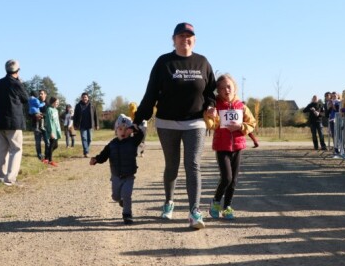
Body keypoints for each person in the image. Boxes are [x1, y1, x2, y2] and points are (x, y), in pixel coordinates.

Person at [133, 22, 216, 229]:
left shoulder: (203, 62)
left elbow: (210, 93)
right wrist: (138, 121)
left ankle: (194, 212)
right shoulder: (164, 62)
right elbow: (151, 93)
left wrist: (211, 107)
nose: (185, 39)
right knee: (172, 164)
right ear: (174, 39)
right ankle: (169, 202)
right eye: (180, 35)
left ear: (194, 40)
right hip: (167, 122)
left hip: (195, 122)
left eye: (189, 36)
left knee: (193, 165)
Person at [205, 74, 256, 220]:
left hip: (238, 146)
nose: (226, 90)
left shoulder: (242, 106)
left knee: (233, 180)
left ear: (234, 88)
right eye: (221, 88)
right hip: (222, 147)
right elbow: (212, 125)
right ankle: (215, 203)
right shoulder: (215, 105)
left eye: (228, 87)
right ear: (218, 91)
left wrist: (241, 126)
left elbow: (252, 123)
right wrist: (209, 115)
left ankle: (227, 206)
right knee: (226, 178)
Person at [90, 114, 145, 225]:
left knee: (127, 195)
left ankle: (127, 215)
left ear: (130, 131)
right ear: (116, 130)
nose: (123, 132)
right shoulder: (112, 145)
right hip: (116, 176)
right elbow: (103, 156)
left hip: (129, 175)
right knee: (115, 196)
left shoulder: (133, 142)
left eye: (126, 129)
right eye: (120, 129)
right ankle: (120, 200)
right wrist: (96, 159)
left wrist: (134, 128)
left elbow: (141, 135)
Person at [0, 60, 29, 186]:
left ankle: (1, 176)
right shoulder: (16, 84)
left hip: (0, 120)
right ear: (18, 70)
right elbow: (25, 99)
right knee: (16, 149)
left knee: (2, 150)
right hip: (14, 121)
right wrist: (19, 83)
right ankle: (10, 178)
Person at [73, 92, 99, 158]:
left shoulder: (92, 105)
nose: (84, 98)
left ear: (88, 98)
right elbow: (75, 116)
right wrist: (75, 125)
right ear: (81, 98)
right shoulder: (78, 105)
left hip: (90, 125)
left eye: (86, 97)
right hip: (82, 125)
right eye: (83, 97)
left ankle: (86, 149)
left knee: (89, 139)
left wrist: (97, 124)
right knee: (84, 138)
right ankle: (86, 152)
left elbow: (95, 115)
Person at [31, 90, 49, 161]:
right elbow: (30, 113)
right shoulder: (35, 102)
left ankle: (46, 156)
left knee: (47, 142)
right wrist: (35, 115)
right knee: (38, 142)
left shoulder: (48, 104)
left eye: (42, 94)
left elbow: (49, 114)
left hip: (45, 126)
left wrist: (41, 115)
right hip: (36, 125)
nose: (40, 95)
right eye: (39, 94)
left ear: (45, 95)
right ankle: (39, 156)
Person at [44, 96, 61, 167]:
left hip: (56, 130)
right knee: (52, 144)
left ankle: (46, 158)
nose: (57, 104)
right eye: (56, 102)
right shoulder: (49, 110)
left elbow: (57, 121)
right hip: (52, 130)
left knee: (56, 145)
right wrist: (51, 132)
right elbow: (49, 121)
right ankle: (50, 160)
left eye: (58, 102)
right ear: (53, 102)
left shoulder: (56, 110)